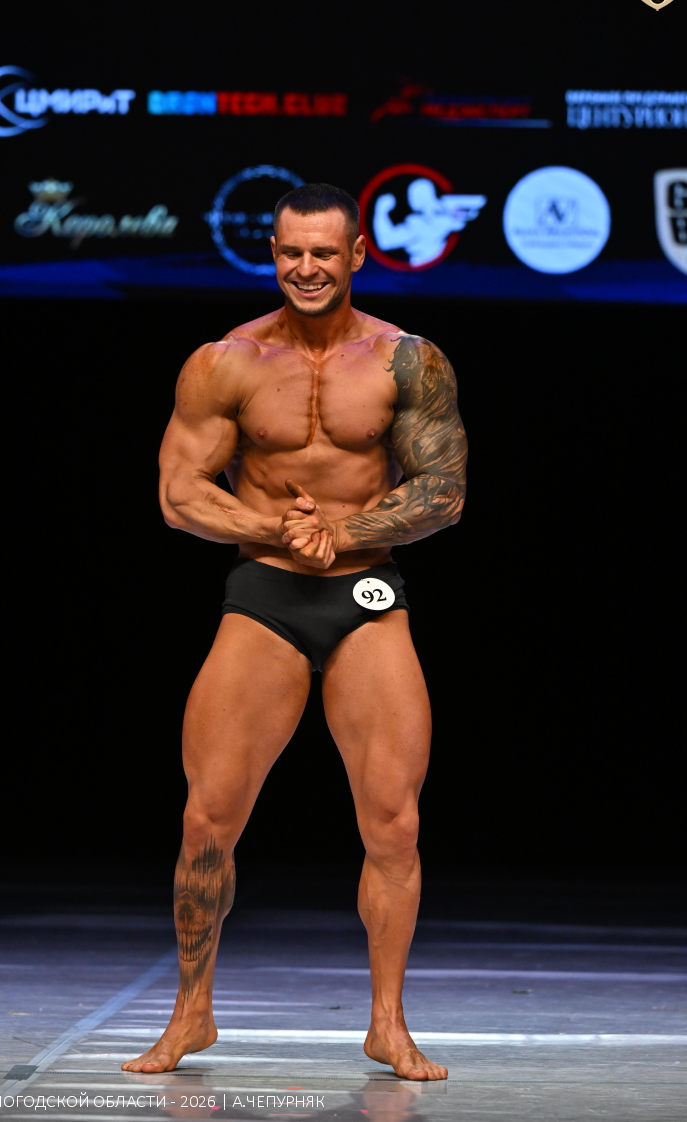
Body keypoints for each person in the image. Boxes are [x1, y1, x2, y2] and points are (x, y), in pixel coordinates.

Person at [122, 183, 467, 1081]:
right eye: (290, 252)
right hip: (267, 594)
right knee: (207, 816)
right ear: (271, 253)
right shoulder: (224, 363)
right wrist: (276, 528)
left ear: (357, 254)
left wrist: (344, 534)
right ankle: (191, 1014)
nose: (306, 268)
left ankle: (387, 1024)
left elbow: (443, 492)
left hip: (366, 595)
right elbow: (178, 495)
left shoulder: (407, 360)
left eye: (323, 253)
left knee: (394, 823)